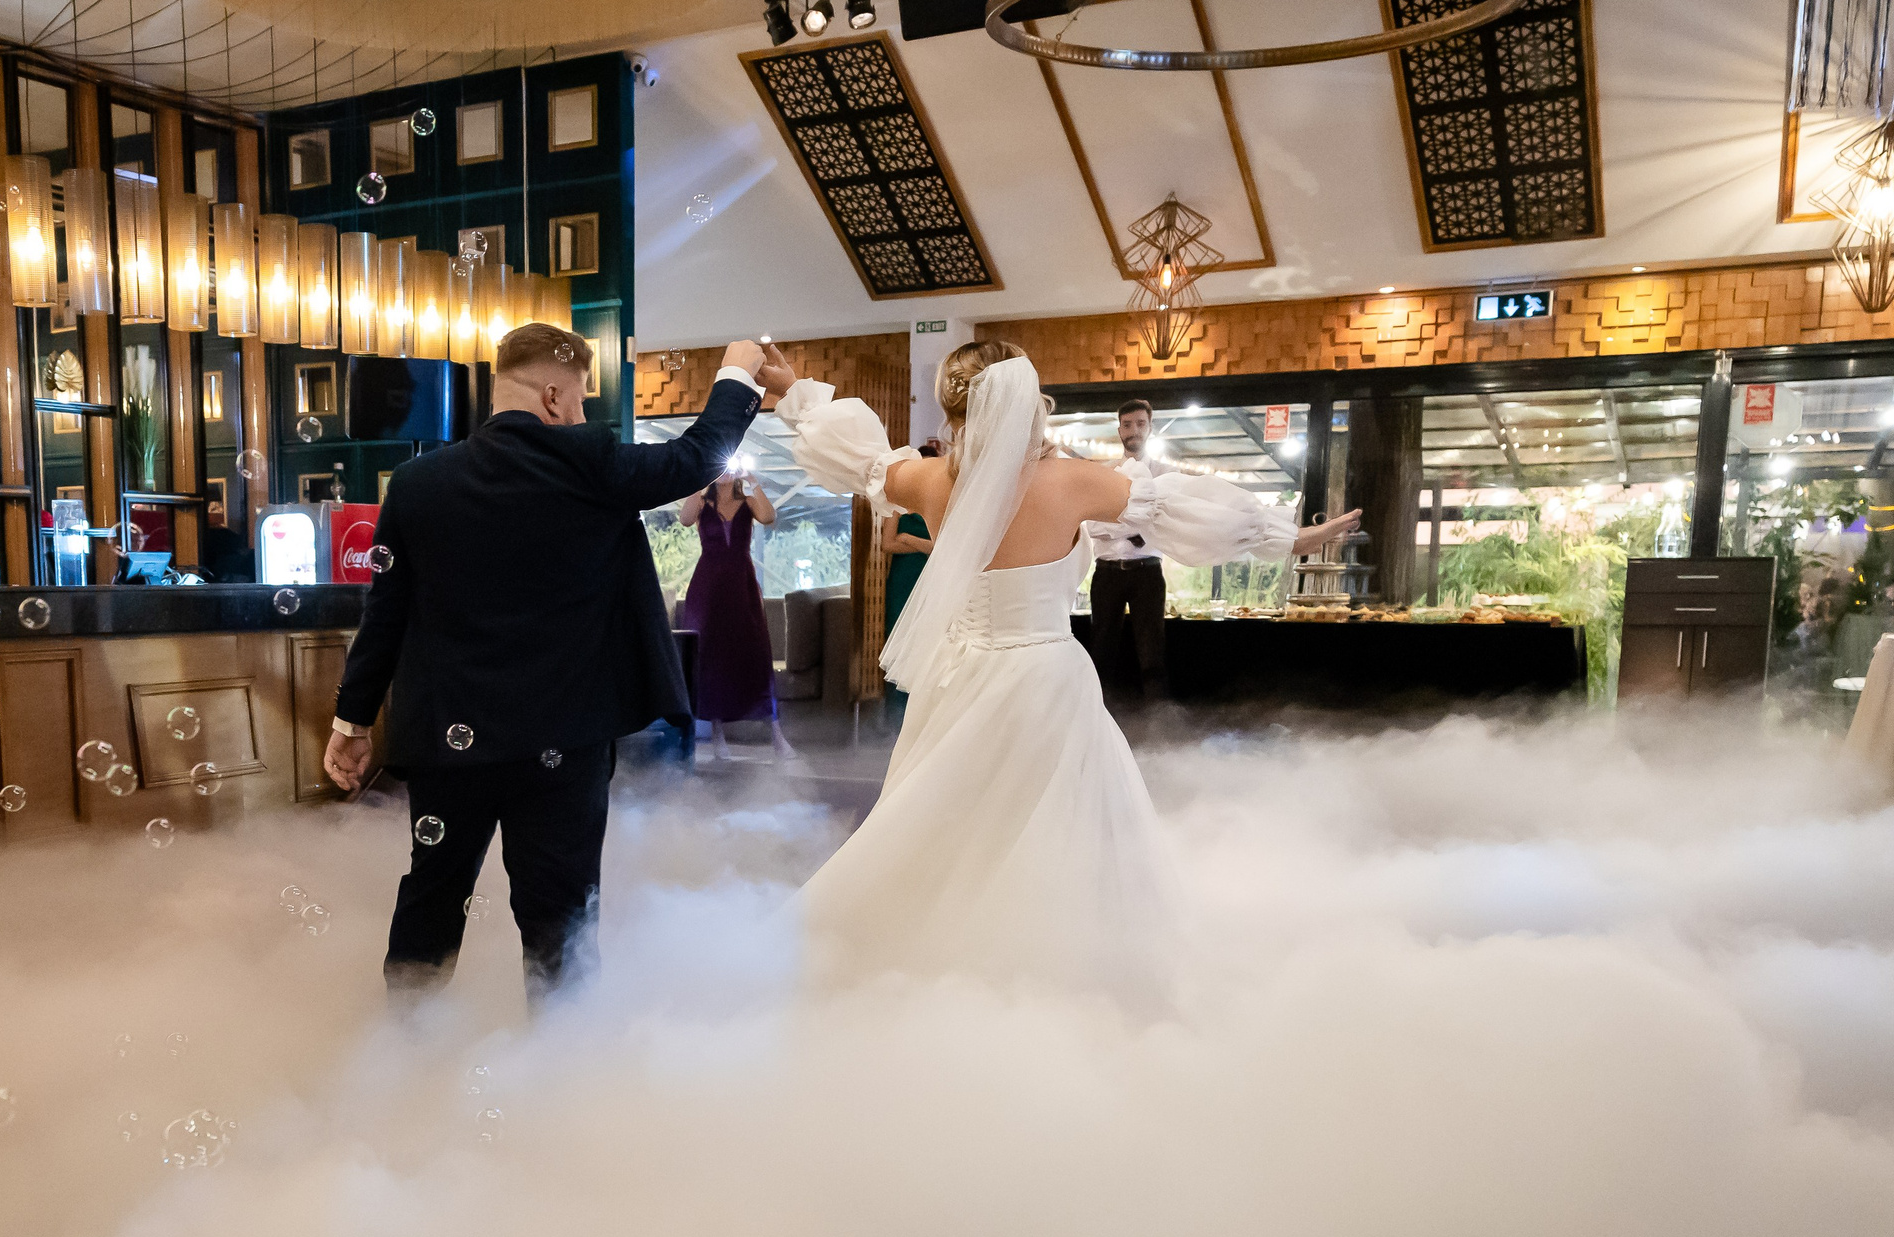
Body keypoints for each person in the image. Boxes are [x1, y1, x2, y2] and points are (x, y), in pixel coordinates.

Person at [764, 340, 1358, 993]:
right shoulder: (1070, 480)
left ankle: (942, 953)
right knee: (1064, 828)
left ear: (953, 407)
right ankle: (1053, 968)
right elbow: (1173, 506)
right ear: (1024, 400)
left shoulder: (931, 478)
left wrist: (797, 394)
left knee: (952, 819)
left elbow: (864, 460)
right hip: (1045, 683)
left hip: (957, 677)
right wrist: (1288, 537)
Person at [323, 325, 769, 1003]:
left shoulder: (415, 484)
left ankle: (404, 1055)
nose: (584, 415)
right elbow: (696, 457)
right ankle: (560, 1073)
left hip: (450, 739)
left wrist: (352, 720)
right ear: (556, 396)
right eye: (584, 400)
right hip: (565, 735)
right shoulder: (590, 462)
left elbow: (384, 617)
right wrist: (737, 370)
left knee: (431, 898)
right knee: (560, 915)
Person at [675, 467, 793, 760]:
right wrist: (698, 481)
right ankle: (717, 738)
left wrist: (754, 482)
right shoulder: (702, 503)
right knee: (711, 655)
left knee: (755, 653)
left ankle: (778, 738)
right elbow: (685, 519)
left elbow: (768, 516)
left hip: (742, 585)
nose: (726, 472)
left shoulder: (748, 502)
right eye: (720, 466)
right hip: (708, 587)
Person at [1087, 396, 1175, 705]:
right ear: (1119, 429)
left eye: (1140, 424)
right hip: (1107, 573)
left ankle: (1160, 724)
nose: (1133, 430)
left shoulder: (1166, 475)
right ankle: (1096, 717)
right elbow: (1091, 526)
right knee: (1100, 652)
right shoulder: (1106, 474)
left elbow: (1165, 523)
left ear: (1151, 428)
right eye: (1127, 425)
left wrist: (1118, 521)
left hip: (1148, 573)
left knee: (1153, 654)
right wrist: (1138, 525)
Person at [875, 446, 942, 722]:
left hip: (936, 578)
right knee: (901, 640)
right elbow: (889, 543)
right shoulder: (898, 504)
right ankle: (896, 716)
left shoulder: (943, 502)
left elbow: (945, 547)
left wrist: (911, 540)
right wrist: (924, 546)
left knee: (932, 642)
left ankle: (926, 714)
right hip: (904, 579)